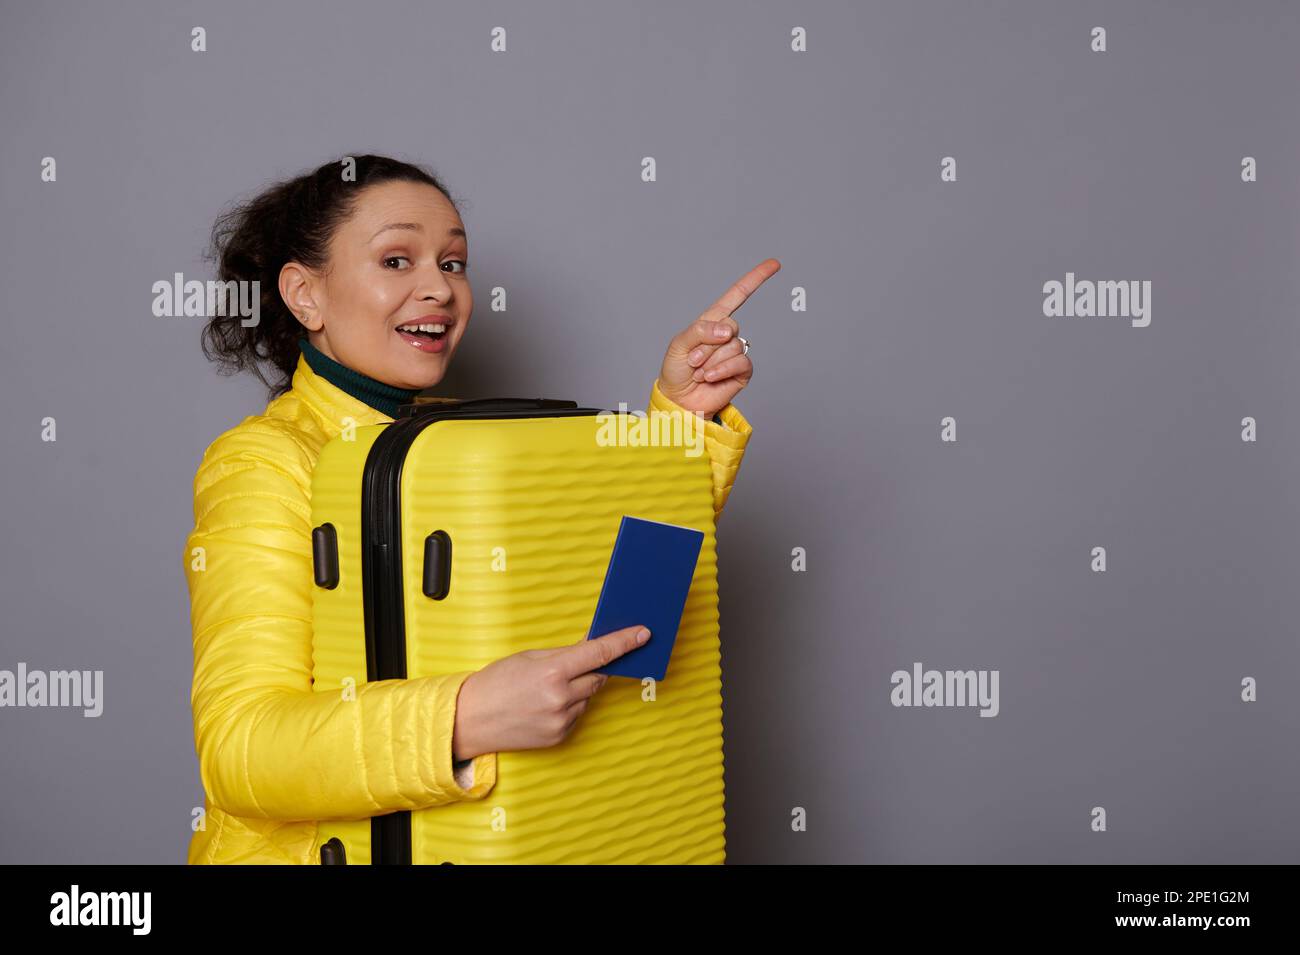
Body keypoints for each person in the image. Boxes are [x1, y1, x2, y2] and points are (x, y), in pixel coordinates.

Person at [184, 153, 775, 863]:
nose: (438, 287)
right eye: (397, 260)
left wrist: (685, 420)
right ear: (304, 295)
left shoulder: (469, 442)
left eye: (453, 263)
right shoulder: (264, 463)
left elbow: (615, 617)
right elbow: (243, 747)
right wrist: (463, 716)